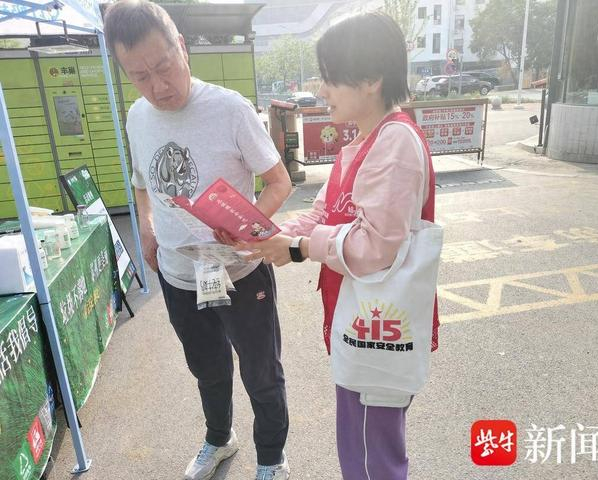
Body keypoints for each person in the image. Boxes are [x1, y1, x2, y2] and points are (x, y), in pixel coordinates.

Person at [239, 12, 439, 480]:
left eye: (330, 78)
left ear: (371, 79)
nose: (322, 90)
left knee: (371, 458)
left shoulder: (394, 143)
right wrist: (272, 234)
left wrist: (300, 247)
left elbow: (377, 247)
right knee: (363, 446)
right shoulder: (367, 141)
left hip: (378, 326)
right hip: (365, 320)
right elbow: (326, 212)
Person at [103, 2, 292, 479]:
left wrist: (247, 229)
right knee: (207, 368)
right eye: (140, 76)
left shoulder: (230, 109)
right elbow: (142, 182)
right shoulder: (138, 116)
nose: (158, 86)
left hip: (240, 272)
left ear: (182, 48)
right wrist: (147, 226)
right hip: (179, 275)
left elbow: (279, 182)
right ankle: (220, 439)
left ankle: (272, 457)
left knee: (261, 372)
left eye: (164, 66)